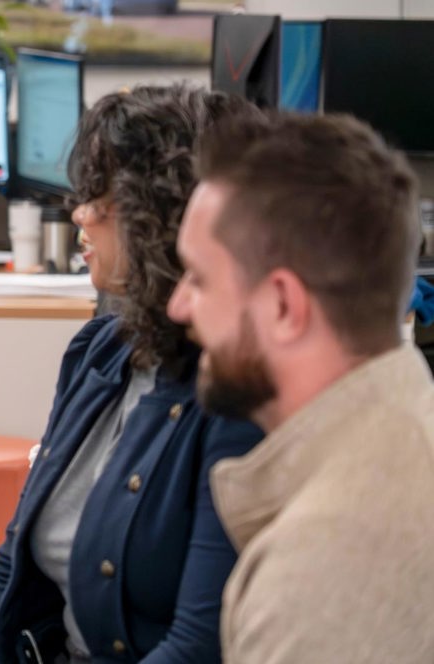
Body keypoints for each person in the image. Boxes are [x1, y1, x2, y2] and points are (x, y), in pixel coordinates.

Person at [0, 85, 263, 664]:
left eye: (102, 197)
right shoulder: (99, 351)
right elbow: (12, 564)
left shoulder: (234, 397)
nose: (80, 213)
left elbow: (200, 643)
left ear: (164, 217)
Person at [167, 112, 434, 662]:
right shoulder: (412, 427)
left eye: (199, 279)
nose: (178, 306)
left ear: (284, 306)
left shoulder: (319, 571)